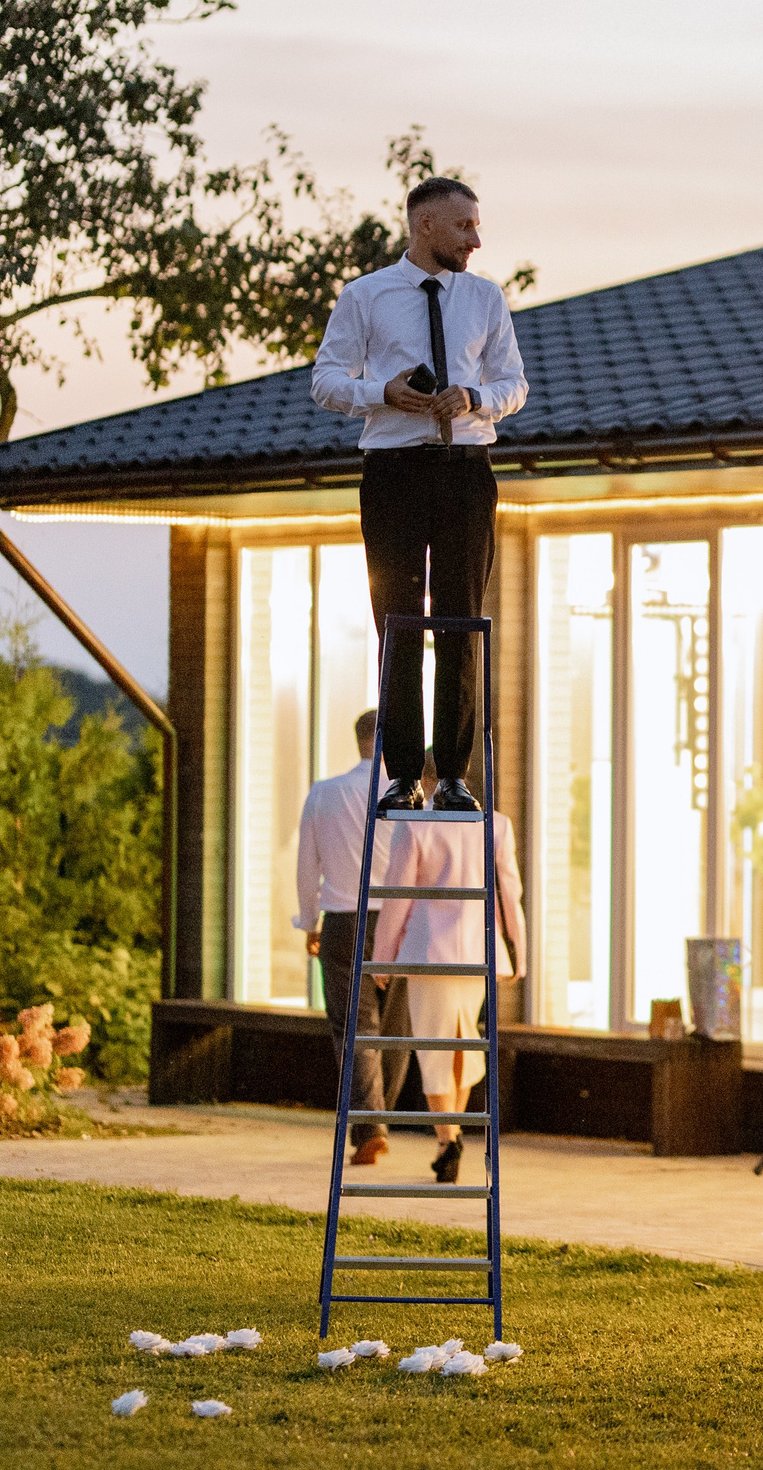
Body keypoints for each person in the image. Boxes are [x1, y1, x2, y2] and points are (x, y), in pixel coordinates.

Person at [311, 176, 528, 815]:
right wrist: (384, 391)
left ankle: (455, 777)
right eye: (464, 226)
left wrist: (475, 397)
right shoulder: (366, 296)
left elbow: (515, 384)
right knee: (397, 622)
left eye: (476, 225)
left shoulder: (486, 299)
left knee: (461, 618)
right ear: (425, 226)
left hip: (466, 468)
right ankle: (403, 776)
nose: (476, 239)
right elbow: (324, 380)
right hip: (394, 471)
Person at [372, 809, 526, 1184]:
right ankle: (448, 1143)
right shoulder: (498, 824)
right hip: (478, 952)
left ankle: (448, 1138)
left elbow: (397, 896)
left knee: (433, 1049)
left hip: (430, 952)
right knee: (462, 1044)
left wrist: (382, 956)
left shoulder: (414, 824)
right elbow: (510, 893)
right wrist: (518, 950)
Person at [294, 708, 409, 1166]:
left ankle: (370, 1126)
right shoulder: (408, 799)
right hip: (398, 919)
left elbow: (307, 867)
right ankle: (380, 1120)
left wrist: (309, 923)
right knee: (397, 1027)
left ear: (358, 738)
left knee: (354, 1029)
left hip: (343, 920)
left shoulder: (323, 794)